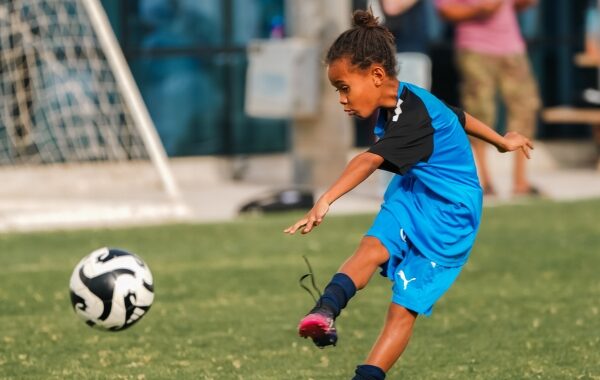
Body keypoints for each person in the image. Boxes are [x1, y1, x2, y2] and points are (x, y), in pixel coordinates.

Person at [284, 9, 533, 380]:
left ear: (377, 75)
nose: (341, 99)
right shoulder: (403, 100)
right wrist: (499, 141)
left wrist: (326, 199)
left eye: (344, 87)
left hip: (450, 214)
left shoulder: (413, 116)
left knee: (402, 309)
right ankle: (324, 312)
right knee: (370, 249)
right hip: (414, 191)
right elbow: (460, 116)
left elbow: (366, 162)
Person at [435, 0, 541, 197]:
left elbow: (518, 5)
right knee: (479, 113)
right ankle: (485, 181)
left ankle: (520, 182)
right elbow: (445, 10)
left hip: (512, 46)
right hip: (475, 48)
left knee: (525, 108)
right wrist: (479, 9)